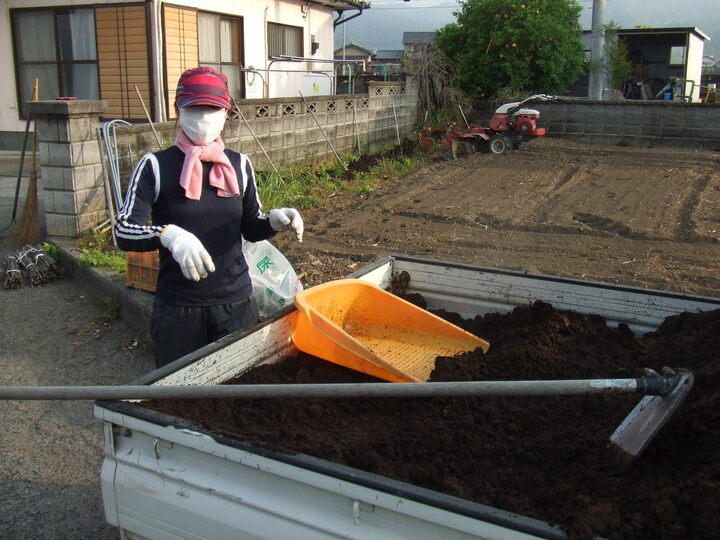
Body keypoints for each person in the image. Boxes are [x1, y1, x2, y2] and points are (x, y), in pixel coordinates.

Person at [114, 66, 303, 368]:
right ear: (178, 109)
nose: (203, 117)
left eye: (212, 108)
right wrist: (169, 235)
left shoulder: (239, 165)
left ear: (226, 113)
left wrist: (273, 221)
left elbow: (250, 227)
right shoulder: (155, 166)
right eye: (195, 107)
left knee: (238, 389)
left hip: (236, 304)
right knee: (179, 395)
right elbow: (123, 231)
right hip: (179, 307)